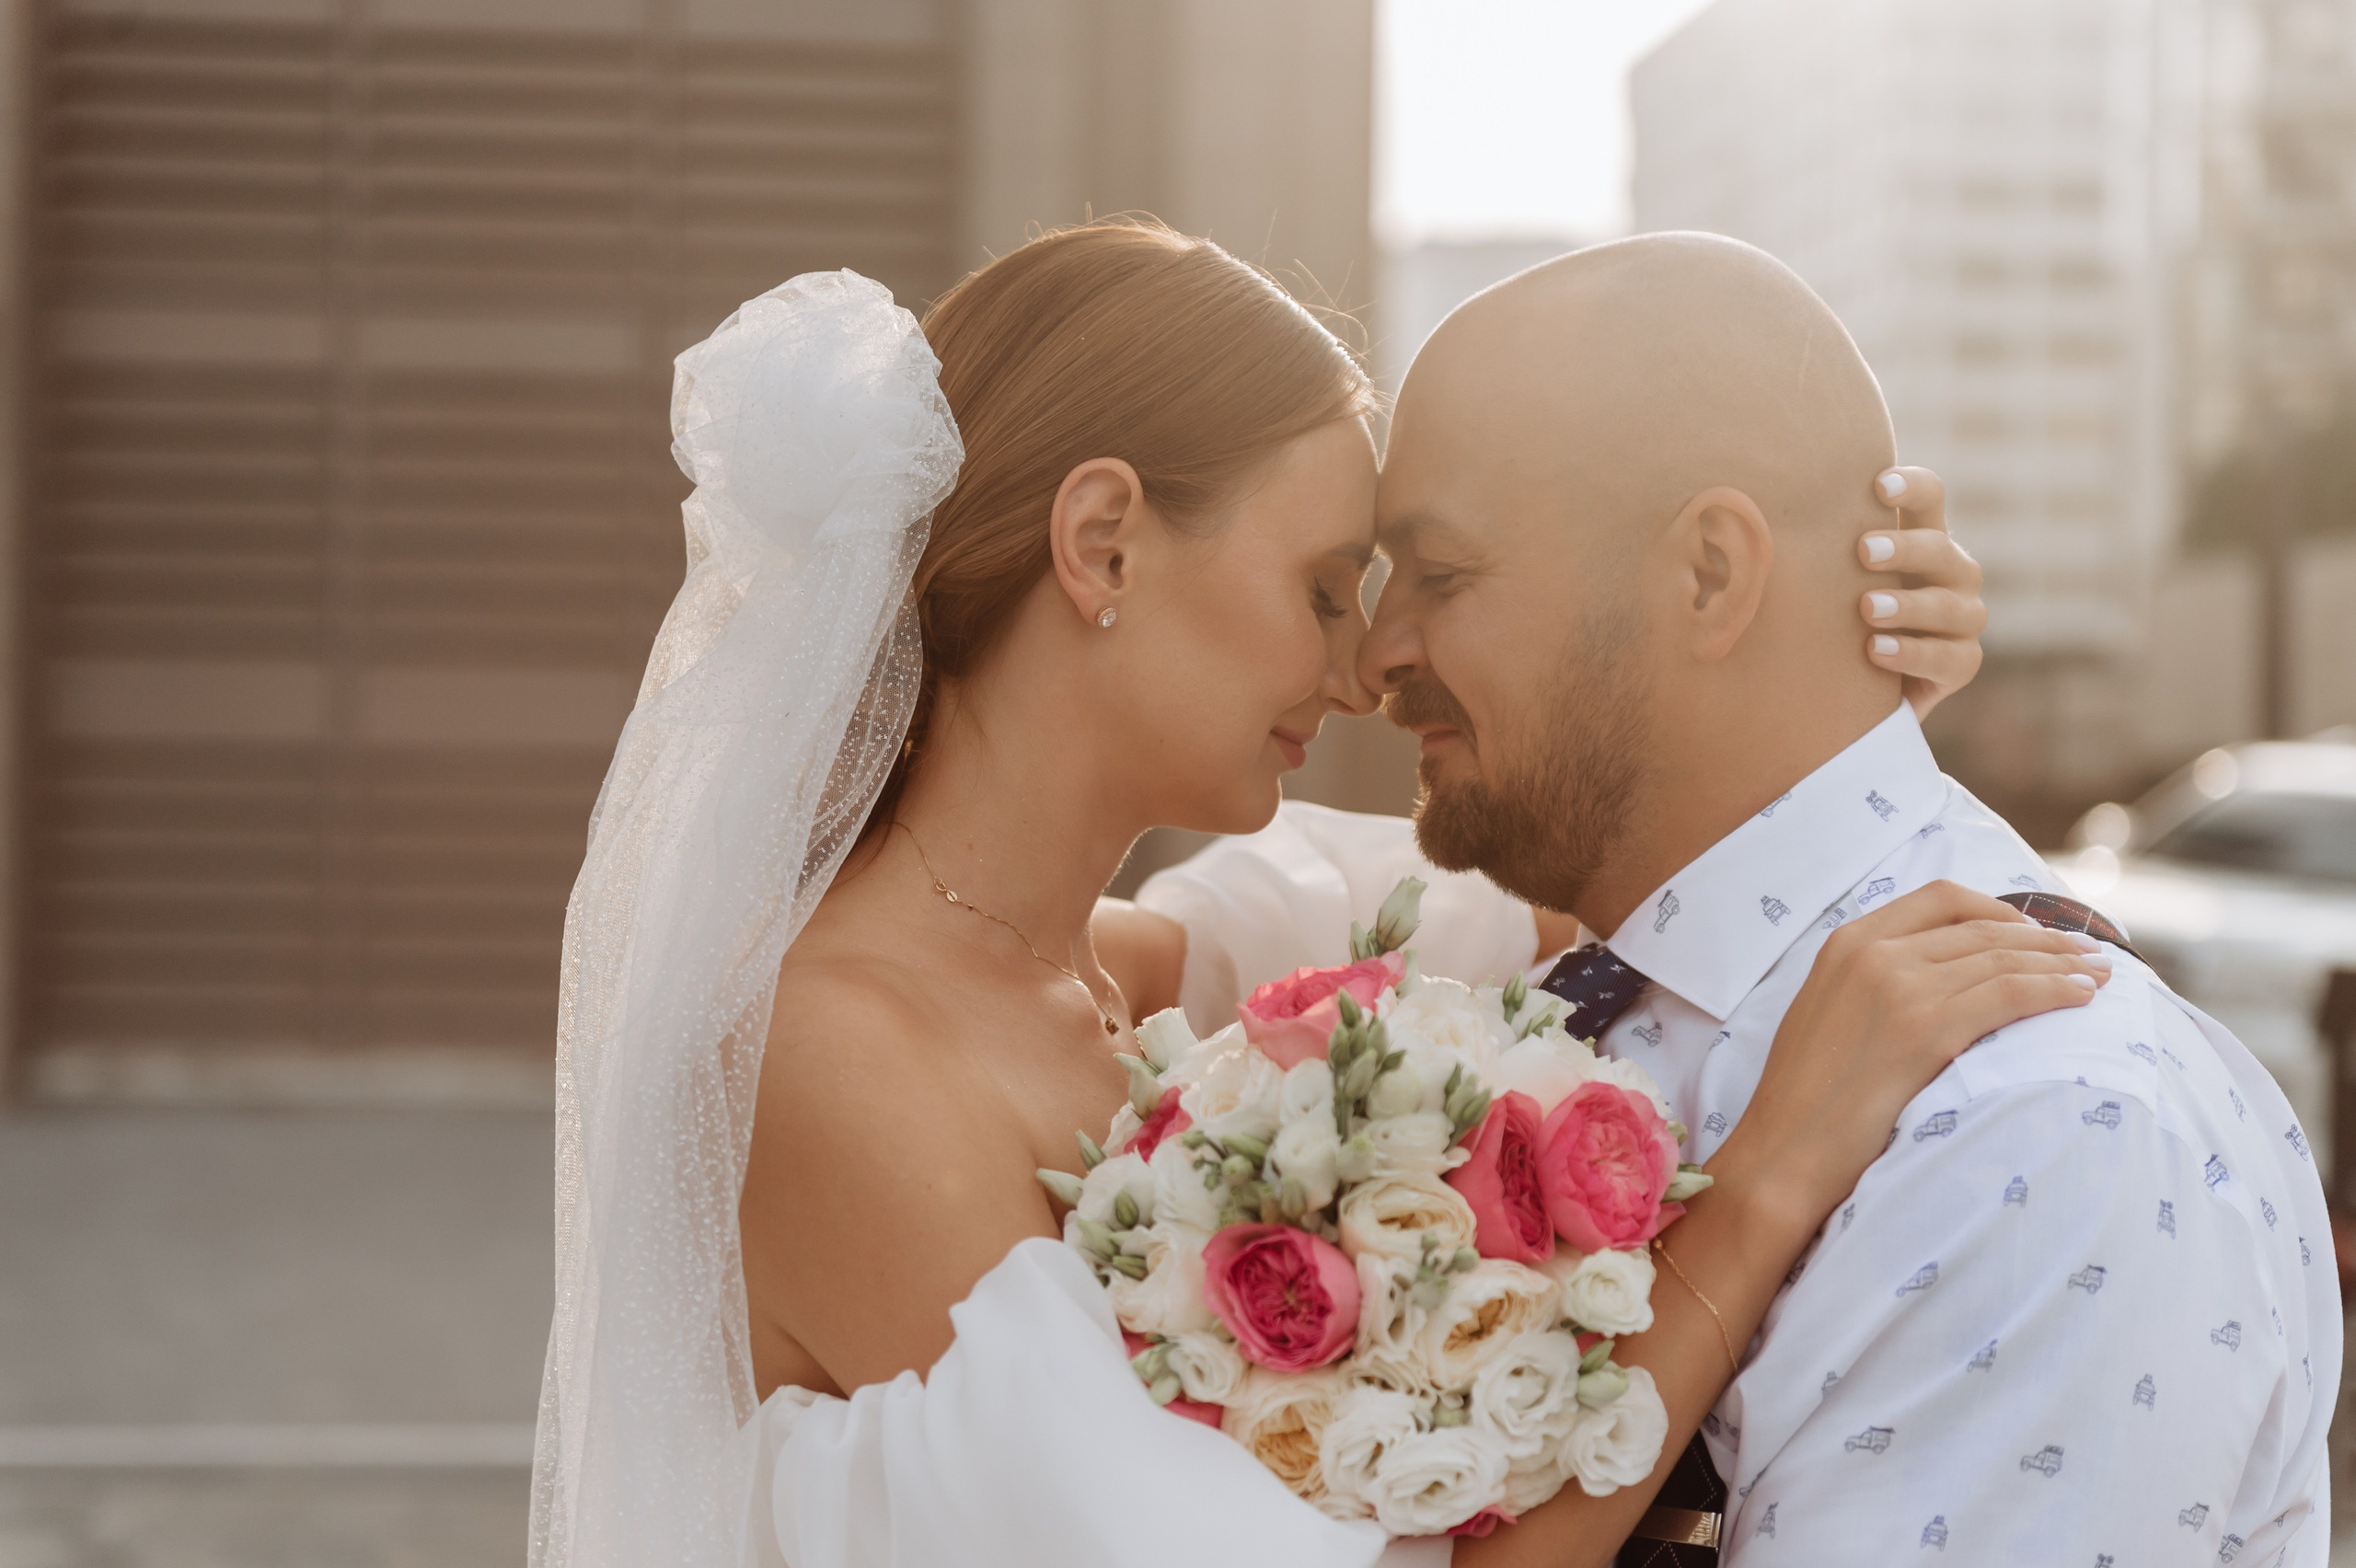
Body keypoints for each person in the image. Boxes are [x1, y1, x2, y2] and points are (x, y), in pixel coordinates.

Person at [529, 220, 2107, 1568]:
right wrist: (1766, 1182)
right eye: (1323, 588)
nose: (1362, 671)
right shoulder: (826, 1057)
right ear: (1104, 545)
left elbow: (1588, 869)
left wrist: (1813, 669)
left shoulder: (1123, 976)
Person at [1121, 233, 2340, 1566]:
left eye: (1442, 574)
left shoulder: (2033, 1127)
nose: (1372, 657)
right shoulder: (1526, 996)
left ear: (1710, 574)